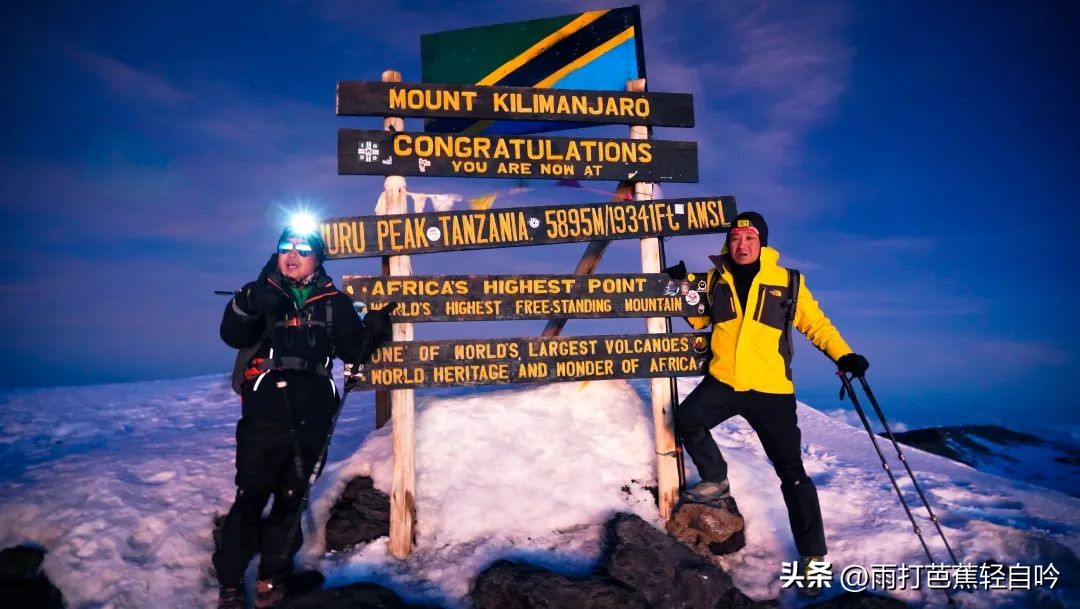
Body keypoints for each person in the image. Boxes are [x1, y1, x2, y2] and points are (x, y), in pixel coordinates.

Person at [667, 211, 869, 597]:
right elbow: (697, 321)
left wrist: (844, 355)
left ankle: (813, 557)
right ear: (728, 242)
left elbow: (816, 324)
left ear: (762, 242)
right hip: (724, 382)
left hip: (771, 391)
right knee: (687, 419)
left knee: (792, 473)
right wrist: (682, 289)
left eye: (749, 238)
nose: (741, 245)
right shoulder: (714, 279)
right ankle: (715, 478)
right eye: (735, 238)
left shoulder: (788, 281)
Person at [214, 220, 395, 609]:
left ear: (317, 258)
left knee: (292, 497)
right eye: (285, 247)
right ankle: (229, 583)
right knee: (250, 496)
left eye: (302, 249)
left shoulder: (334, 302)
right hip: (265, 410)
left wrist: (374, 332)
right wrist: (248, 304)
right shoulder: (260, 293)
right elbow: (232, 334)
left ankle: (271, 580)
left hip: (314, 411)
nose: (291, 255)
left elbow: (354, 351)